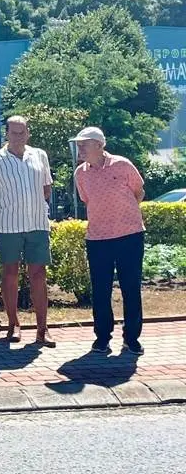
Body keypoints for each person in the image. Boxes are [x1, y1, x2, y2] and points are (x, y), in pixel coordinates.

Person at [72, 127, 146, 356]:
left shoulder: (122, 165)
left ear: (99, 145)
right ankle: (102, 338)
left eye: (84, 144)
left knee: (130, 287)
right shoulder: (80, 173)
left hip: (130, 235)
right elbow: (87, 200)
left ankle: (132, 339)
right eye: (78, 144)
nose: (80, 148)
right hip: (98, 238)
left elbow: (138, 191)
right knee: (100, 289)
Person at [0, 116, 55, 347]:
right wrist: (3, 212)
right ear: (6, 134)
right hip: (8, 225)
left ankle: (43, 329)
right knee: (10, 273)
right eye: (14, 133)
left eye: (22, 132)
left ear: (28, 133)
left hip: (37, 224)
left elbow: (46, 189)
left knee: (39, 275)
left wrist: (34, 207)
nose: (18, 137)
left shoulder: (39, 155)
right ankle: (13, 323)